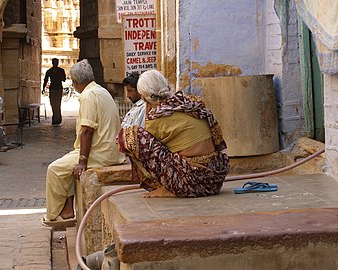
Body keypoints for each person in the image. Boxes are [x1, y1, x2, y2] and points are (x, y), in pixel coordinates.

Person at [116, 69, 230, 198]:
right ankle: (170, 184)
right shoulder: (189, 102)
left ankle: (167, 188)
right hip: (215, 179)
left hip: (192, 183)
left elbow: (151, 153)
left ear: (144, 97)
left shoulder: (157, 117)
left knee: (129, 136)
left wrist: (148, 112)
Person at [42, 59, 125, 226]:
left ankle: (54, 215)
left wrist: (82, 161)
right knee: (67, 166)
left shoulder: (88, 96)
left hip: (100, 153)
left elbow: (87, 130)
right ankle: (67, 211)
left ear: (75, 82)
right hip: (109, 150)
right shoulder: (100, 91)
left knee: (55, 170)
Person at [42, 58, 66, 126]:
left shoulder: (61, 70)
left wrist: (59, 76)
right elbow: (45, 80)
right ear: (52, 63)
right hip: (52, 89)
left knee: (58, 104)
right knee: (52, 104)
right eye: (54, 62)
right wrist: (43, 88)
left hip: (58, 88)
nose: (55, 63)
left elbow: (64, 79)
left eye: (56, 62)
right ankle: (55, 118)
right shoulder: (49, 71)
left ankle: (57, 119)